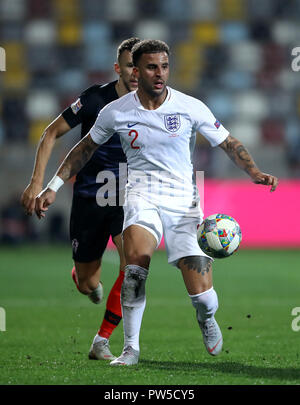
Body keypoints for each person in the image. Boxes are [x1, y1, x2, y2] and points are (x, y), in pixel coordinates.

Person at [34, 39, 278, 366]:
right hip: (141, 195)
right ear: (136, 71)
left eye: (164, 66)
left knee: (202, 295)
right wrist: (52, 185)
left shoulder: (190, 107)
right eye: (151, 67)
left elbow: (228, 142)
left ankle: (206, 318)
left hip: (183, 200)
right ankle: (130, 349)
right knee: (135, 267)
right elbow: (83, 150)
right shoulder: (115, 111)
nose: (159, 73)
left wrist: (254, 171)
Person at [21, 37, 141, 361]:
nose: (136, 72)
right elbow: (50, 133)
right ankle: (82, 277)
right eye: (130, 65)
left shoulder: (154, 105)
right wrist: (37, 183)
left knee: (135, 266)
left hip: (129, 198)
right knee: (89, 284)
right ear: (118, 68)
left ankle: (102, 341)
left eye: (141, 65)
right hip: (91, 197)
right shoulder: (94, 100)